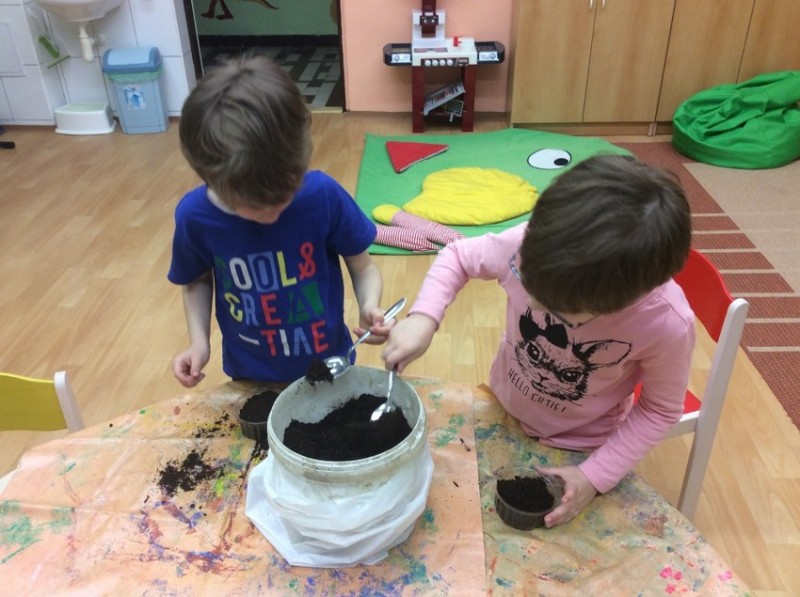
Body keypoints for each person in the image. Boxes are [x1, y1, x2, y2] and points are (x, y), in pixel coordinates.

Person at [382, 154, 695, 527]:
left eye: (556, 309)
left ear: (616, 305)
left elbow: (660, 410)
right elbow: (459, 256)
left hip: (583, 446)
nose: (529, 303)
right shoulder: (530, 243)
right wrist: (424, 318)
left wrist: (593, 477)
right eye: (526, 279)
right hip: (503, 407)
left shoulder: (666, 323)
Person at [169, 54, 386, 387]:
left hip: (330, 366)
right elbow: (197, 280)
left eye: (283, 198)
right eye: (254, 207)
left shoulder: (322, 196)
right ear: (212, 180)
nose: (271, 214)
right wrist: (199, 341)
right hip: (249, 376)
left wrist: (369, 304)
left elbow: (364, 266)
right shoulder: (195, 217)